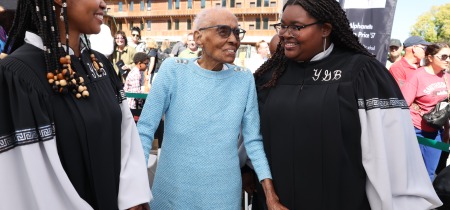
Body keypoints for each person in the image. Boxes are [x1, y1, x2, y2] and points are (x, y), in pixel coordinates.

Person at [252, 0, 442, 209]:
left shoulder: (360, 72)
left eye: (296, 27)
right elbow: (253, 137)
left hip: (340, 198)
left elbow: (391, 153)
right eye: (283, 26)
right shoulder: (272, 74)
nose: (286, 34)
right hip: (277, 200)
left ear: (325, 29)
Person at [0, 0, 151, 209]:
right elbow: (31, 179)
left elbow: (126, 135)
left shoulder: (99, 64)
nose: (103, 4)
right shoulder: (17, 75)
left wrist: (132, 196)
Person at [137, 7, 286, 210]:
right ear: (199, 37)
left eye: (237, 32)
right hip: (171, 195)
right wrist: (136, 191)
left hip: (223, 199)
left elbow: (253, 141)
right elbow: (144, 131)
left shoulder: (244, 79)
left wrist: (271, 196)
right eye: (224, 31)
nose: (234, 39)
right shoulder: (173, 70)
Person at [401, 43, 450, 181]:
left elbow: (445, 107)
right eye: (444, 56)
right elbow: (402, 105)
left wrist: (446, 129)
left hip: (436, 132)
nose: (448, 60)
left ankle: (425, 202)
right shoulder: (417, 76)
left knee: (429, 173)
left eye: (449, 56)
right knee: (409, 172)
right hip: (414, 129)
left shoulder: (447, 77)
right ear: (430, 57)